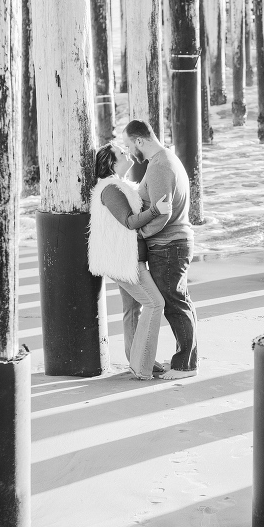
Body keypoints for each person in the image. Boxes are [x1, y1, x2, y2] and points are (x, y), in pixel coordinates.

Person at [123, 119, 199, 377]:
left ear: (140, 141)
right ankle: (186, 359)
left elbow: (161, 213)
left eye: (129, 144)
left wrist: (140, 232)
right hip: (175, 243)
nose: (130, 150)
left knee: (174, 304)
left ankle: (185, 365)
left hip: (168, 245)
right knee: (180, 301)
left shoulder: (159, 166)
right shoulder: (167, 159)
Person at [87, 143, 170, 381]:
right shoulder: (111, 189)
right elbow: (129, 221)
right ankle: (141, 365)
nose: (126, 152)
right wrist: (156, 210)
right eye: (121, 152)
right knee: (155, 303)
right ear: (112, 163)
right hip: (124, 261)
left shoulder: (121, 186)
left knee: (134, 309)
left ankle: (138, 360)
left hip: (127, 258)